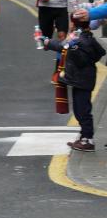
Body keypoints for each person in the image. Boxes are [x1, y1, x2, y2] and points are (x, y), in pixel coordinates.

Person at [43, 16, 105, 151]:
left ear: (75, 24)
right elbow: (98, 52)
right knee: (79, 110)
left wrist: (49, 43)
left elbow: (69, 51)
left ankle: (88, 140)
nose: (69, 24)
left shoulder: (80, 41)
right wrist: (50, 43)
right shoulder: (85, 38)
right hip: (81, 80)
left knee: (83, 111)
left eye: (71, 21)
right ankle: (84, 135)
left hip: (82, 80)